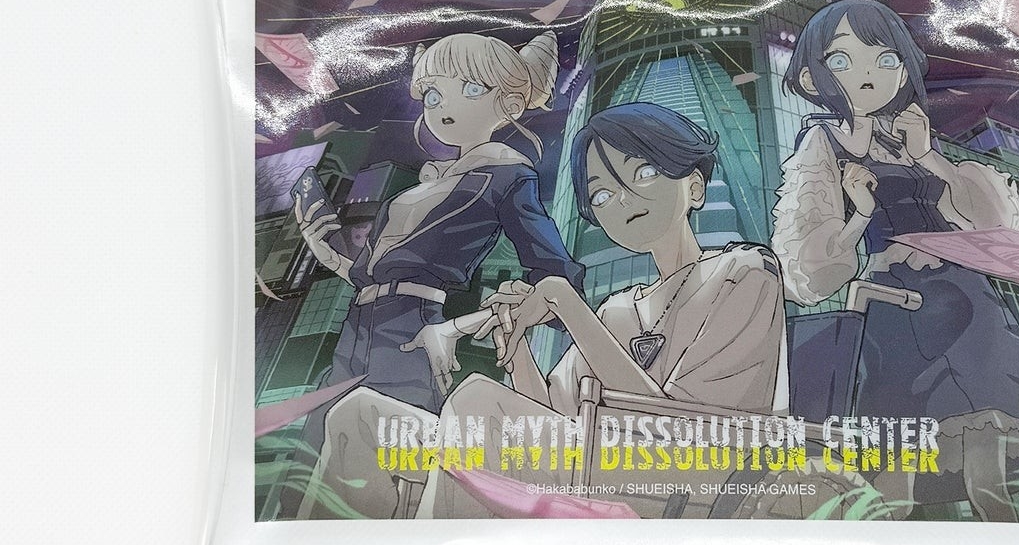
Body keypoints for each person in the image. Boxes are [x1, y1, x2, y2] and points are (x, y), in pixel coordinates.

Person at [315, 103, 789, 519]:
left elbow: (682, 431)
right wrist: (516, 345)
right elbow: (548, 414)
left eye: (644, 173)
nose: (623, 200)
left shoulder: (745, 271)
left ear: (695, 187)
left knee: (478, 404)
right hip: (596, 463)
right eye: (602, 195)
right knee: (361, 415)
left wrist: (565, 301)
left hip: (693, 476)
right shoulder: (618, 309)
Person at [770, 0, 1019, 521]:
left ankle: (1004, 522)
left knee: (991, 422)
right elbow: (808, 262)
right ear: (813, 78)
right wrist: (860, 214)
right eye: (842, 60)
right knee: (908, 434)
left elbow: (990, 220)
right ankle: (903, 527)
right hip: (897, 300)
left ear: (904, 69)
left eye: (885, 59)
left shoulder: (914, 137)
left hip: (966, 293)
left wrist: (929, 155)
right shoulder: (823, 140)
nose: (867, 74)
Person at [295, 30, 583, 519]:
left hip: (412, 332)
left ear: (510, 103)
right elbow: (364, 274)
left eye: (469, 89)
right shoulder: (421, 184)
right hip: (355, 331)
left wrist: (456, 328)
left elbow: (556, 280)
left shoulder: (509, 176)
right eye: (432, 94)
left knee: (386, 462)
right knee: (317, 453)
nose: (443, 106)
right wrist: (321, 243)